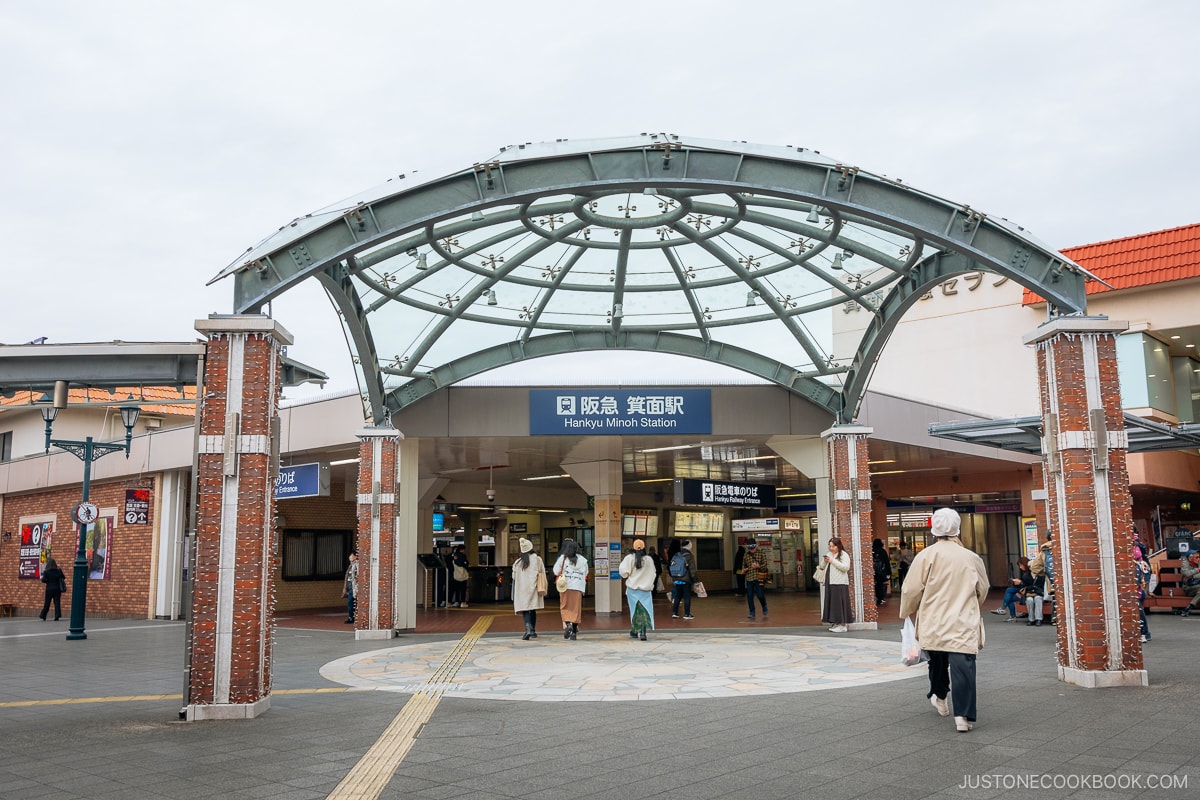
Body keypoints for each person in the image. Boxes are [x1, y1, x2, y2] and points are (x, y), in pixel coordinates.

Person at [899, 507, 989, 734]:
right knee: (963, 665)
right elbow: (983, 588)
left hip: (934, 620)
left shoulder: (926, 556)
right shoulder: (971, 557)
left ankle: (939, 695)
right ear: (957, 529)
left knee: (937, 660)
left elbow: (910, 589)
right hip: (962, 620)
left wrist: (907, 611)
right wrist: (972, 605)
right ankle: (963, 716)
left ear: (934, 530)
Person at [619, 539, 656, 640]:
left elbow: (623, 573)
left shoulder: (629, 558)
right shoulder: (649, 560)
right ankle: (643, 631)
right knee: (645, 610)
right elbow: (653, 574)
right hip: (646, 590)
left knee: (635, 610)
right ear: (644, 548)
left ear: (633, 547)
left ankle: (635, 631)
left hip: (633, 589)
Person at [553, 538, 589, 639]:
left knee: (565, 606)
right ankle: (574, 632)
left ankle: (568, 624)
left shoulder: (563, 558)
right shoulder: (583, 560)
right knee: (576, 609)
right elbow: (586, 573)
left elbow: (556, 571)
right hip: (578, 587)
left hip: (565, 586)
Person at [511, 537, 545, 640]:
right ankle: (533, 630)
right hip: (534, 588)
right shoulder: (538, 560)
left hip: (522, 589)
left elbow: (514, 577)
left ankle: (528, 629)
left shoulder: (517, 563)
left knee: (525, 609)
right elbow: (542, 572)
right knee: (532, 609)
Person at [821, 537, 852, 633]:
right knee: (832, 603)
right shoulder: (829, 554)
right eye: (830, 546)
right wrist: (825, 561)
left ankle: (842, 624)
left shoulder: (843, 555)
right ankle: (835, 622)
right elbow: (822, 567)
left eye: (833, 546)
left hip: (840, 583)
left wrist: (833, 561)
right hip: (830, 582)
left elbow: (846, 567)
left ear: (838, 546)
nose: (831, 548)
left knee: (839, 603)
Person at [668, 539, 697, 620]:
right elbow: (692, 569)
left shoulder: (677, 554)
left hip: (677, 579)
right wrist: (695, 580)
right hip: (686, 579)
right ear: (689, 546)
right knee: (687, 596)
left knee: (677, 596)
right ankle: (687, 614)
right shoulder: (689, 556)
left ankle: (675, 613)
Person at [743, 540, 769, 620]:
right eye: (750, 549)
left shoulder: (761, 553)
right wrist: (744, 569)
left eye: (753, 548)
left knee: (760, 594)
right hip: (749, 577)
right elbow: (743, 566)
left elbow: (765, 565)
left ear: (756, 546)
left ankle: (764, 605)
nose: (751, 550)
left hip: (759, 577)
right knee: (750, 596)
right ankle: (752, 612)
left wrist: (758, 566)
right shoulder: (746, 555)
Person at [1134, 544, 1151, 643]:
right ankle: (1144, 633)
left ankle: (1143, 633)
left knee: (1139, 610)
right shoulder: (1138, 547)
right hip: (1140, 588)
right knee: (1139, 609)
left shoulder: (1135, 559)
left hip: (1137, 589)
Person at [1180, 550, 1200, 617]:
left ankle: (1189, 607)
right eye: (1196, 557)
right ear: (1190, 558)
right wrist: (1198, 570)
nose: (1198, 559)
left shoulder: (1199, 563)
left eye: (1199, 557)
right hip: (1188, 587)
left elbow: (1189, 575)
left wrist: (1193, 576)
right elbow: (1186, 574)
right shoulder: (1185, 564)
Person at [872, 538, 891, 606]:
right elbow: (887, 562)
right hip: (881, 571)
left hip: (873, 571)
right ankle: (880, 598)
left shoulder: (872, 551)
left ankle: (874, 598)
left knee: (874, 584)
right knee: (880, 585)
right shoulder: (883, 551)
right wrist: (889, 572)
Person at [341, 552, 358, 624]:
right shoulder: (351, 566)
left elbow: (357, 577)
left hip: (354, 587)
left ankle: (351, 617)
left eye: (352, 559)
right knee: (351, 603)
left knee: (350, 603)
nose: (351, 561)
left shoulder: (357, 565)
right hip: (350, 587)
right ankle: (352, 617)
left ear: (356, 557)